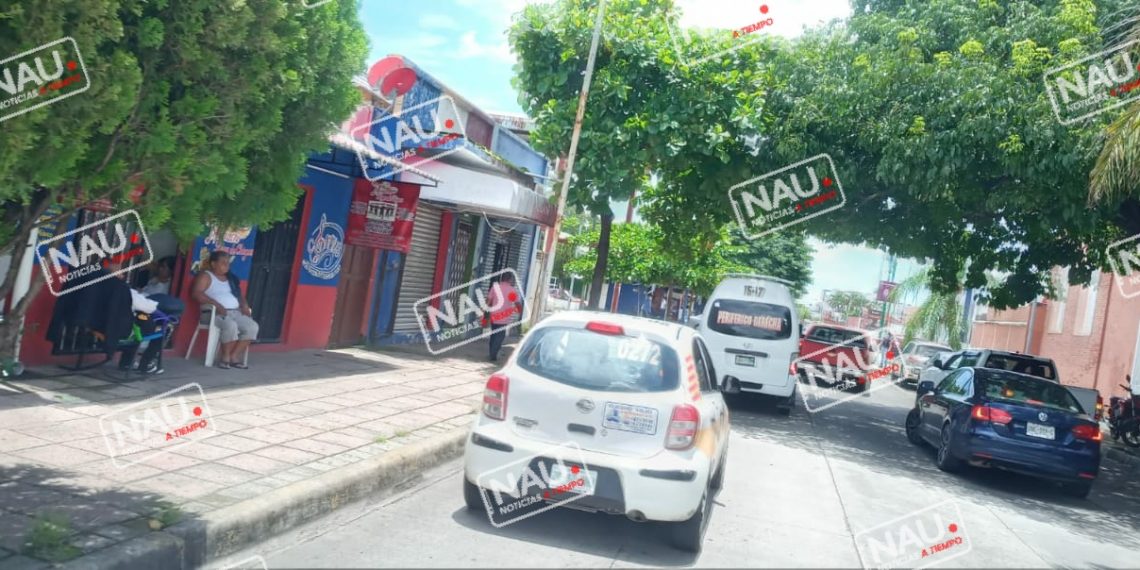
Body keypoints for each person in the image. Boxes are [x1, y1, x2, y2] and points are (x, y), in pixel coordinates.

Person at [191, 251, 258, 369]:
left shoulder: (230, 278)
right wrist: (217, 305)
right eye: (223, 263)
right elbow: (197, 293)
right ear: (213, 264)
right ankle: (225, 357)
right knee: (230, 325)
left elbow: (239, 295)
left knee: (252, 327)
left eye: (228, 263)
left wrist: (244, 305)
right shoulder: (206, 276)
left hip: (235, 312)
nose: (227, 265)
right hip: (214, 313)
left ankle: (234, 356)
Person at [487, 273, 523, 362]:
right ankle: (493, 354)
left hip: (494, 315)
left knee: (493, 334)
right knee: (500, 336)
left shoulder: (495, 287)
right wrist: (520, 311)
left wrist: (486, 311)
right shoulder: (512, 290)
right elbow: (517, 303)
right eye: (512, 279)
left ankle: (492, 352)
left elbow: (489, 300)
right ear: (509, 279)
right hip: (504, 318)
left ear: (502, 279)